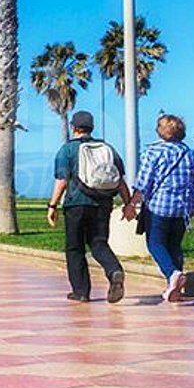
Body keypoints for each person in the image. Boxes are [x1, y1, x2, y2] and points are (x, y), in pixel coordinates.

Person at [47, 110, 133, 303]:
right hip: (103, 203)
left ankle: (81, 292)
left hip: (76, 204)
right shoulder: (108, 149)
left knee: (75, 248)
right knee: (99, 243)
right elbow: (120, 181)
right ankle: (114, 270)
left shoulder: (67, 150)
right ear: (92, 127)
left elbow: (62, 181)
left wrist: (52, 206)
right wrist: (128, 204)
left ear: (73, 128)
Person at [129, 114, 194, 302]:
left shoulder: (153, 152)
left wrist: (132, 204)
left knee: (155, 244)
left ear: (161, 131)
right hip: (183, 209)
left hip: (159, 206)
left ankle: (172, 274)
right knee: (174, 245)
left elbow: (143, 183)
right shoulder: (189, 153)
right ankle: (175, 287)